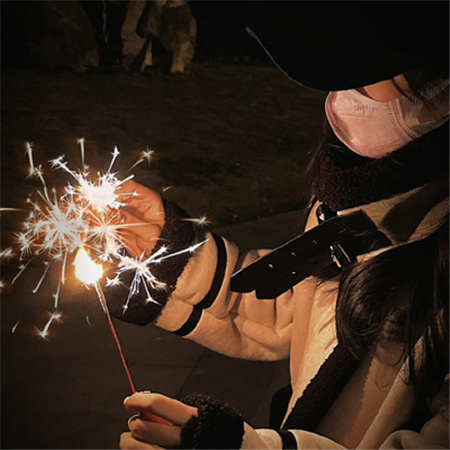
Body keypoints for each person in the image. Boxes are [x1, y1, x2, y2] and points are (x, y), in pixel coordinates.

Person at [107, 3, 449, 449]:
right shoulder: (369, 193)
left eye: (362, 75)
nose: (343, 98)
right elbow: (301, 312)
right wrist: (170, 255)